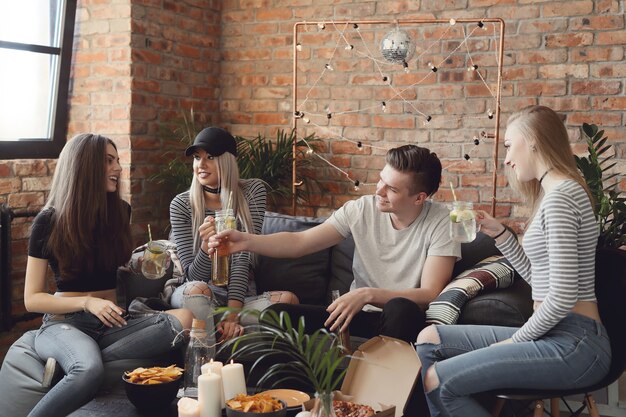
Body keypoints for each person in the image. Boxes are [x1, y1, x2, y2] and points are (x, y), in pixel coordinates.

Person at [414, 105, 611, 417]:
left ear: (532, 140)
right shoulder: (555, 194)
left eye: (509, 145)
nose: (506, 158)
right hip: (558, 334)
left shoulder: (561, 198)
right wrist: (501, 233)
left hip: (574, 343)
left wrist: (513, 342)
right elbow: (540, 281)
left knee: (439, 380)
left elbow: (561, 297)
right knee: (429, 340)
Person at [209, 144, 461, 344]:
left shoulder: (441, 222)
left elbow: (429, 293)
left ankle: (383, 386)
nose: (379, 191)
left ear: (419, 198)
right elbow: (300, 242)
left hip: (401, 321)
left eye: (391, 189)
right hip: (355, 317)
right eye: (381, 180)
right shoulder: (361, 209)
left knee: (399, 308)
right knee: (277, 315)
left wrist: (366, 294)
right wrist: (246, 241)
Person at [23, 133, 193, 417]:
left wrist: (141, 266)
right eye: (109, 161)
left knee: (185, 320)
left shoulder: (119, 211)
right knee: (87, 368)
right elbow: (32, 298)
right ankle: (81, 362)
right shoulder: (48, 221)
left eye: (118, 161)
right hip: (66, 323)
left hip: (113, 323)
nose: (118, 168)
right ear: (84, 166)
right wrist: (88, 303)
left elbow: (109, 267)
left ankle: (77, 360)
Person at [168, 127, 299, 342]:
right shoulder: (181, 204)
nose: (201, 165)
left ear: (227, 161)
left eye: (210, 157)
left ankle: (221, 332)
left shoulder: (252, 191)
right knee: (197, 292)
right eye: (197, 158)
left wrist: (232, 315)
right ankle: (211, 352)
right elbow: (193, 276)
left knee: (288, 301)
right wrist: (206, 247)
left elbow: (242, 259)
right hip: (198, 294)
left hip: (239, 298)